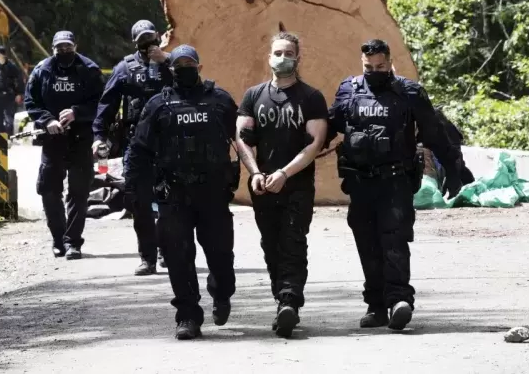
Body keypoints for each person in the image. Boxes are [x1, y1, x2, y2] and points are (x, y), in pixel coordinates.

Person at [328, 39, 465, 332]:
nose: (374, 71)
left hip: (396, 180)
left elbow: (434, 132)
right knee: (367, 244)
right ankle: (376, 306)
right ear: (361, 63)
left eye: (380, 66)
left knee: (394, 240)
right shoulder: (349, 91)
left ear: (390, 62)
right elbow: (327, 128)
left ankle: (399, 300)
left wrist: (454, 169)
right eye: (368, 67)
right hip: (360, 181)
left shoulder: (408, 92)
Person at [128, 45, 238, 340]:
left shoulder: (220, 100)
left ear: (199, 68)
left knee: (220, 256)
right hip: (175, 193)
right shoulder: (158, 105)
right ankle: (188, 316)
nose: (184, 69)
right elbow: (139, 149)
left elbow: (243, 139)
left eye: (190, 64)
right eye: (179, 66)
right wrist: (133, 187)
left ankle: (222, 292)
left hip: (213, 192)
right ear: (171, 70)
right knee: (177, 257)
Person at [235, 32, 328, 338]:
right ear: (269, 56)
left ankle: (289, 301)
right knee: (271, 245)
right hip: (262, 187)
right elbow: (242, 139)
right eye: (278, 52)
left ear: (298, 59)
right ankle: (282, 299)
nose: (282, 57)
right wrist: (256, 172)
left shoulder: (311, 98)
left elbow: (314, 143)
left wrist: (285, 173)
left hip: (297, 185)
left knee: (292, 242)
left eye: (289, 53)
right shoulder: (253, 96)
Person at [93, 20, 172, 276]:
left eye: (152, 38)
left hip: (170, 143)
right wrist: (98, 136)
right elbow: (107, 103)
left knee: (172, 200)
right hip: (137, 144)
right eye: (143, 41)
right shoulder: (125, 68)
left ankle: (167, 252)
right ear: (135, 43)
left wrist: (167, 61)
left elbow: (195, 84)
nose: (149, 45)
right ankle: (147, 257)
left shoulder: (172, 62)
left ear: (159, 37)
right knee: (139, 202)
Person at [24, 31, 104, 259]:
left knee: (78, 192)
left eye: (68, 47)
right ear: (53, 48)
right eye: (60, 48)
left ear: (75, 46)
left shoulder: (89, 70)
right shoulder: (42, 70)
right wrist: (47, 119)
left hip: (80, 139)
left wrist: (77, 113)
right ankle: (58, 239)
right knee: (49, 190)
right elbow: (31, 101)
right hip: (52, 140)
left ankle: (73, 242)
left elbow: (102, 102)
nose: (64, 51)